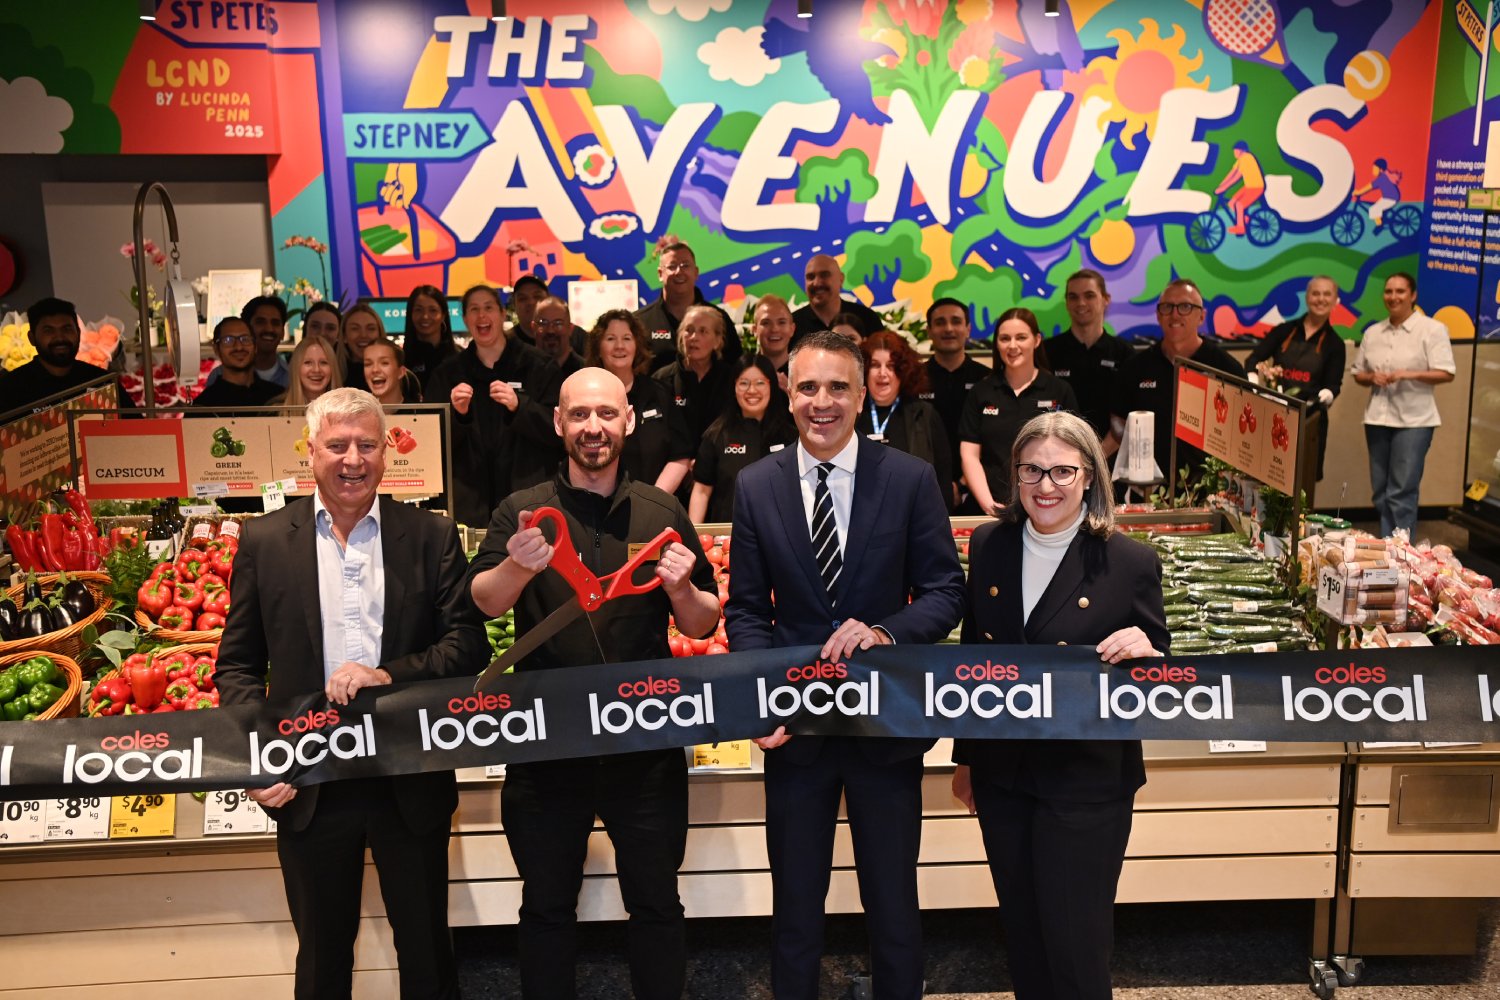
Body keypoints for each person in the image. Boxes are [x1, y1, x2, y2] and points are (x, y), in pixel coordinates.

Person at [216, 387, 487, 1000]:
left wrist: (387, 674)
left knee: (426, 952)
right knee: (322, 958)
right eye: (337, 445)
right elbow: (236, 666)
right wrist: (258, 759)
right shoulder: (264, 540)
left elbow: (467, 648)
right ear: (310, 451)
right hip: (308, 782)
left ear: (387, 451)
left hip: (408, 777)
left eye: (367, 444)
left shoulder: (430, 535)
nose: (353, 460)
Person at [724, 330, 965, 1000]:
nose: (821, 402)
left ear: (862, 395)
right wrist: (761, 697)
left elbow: (946, 591)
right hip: (795, 731)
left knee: (893, 903)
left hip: (885, 728)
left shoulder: (909, 478)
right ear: (787, 394)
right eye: (807, 387)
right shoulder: (756, 486)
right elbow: (746, 609)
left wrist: (886, 630)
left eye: (837, 387)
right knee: (795, 908)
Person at [466, 368, 720, 1000]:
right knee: (546, 906)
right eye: (579, 414)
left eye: (607, 413)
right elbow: (486, 601)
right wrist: (518, 567)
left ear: (628, 420)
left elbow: (702, 620)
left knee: (656, 903)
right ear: (558, 423)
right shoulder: (521, 510)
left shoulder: (662, 511)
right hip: (547, 746)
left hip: (645, 744)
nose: (593, 427)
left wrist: (682, 588)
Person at [952, 410, 1168, 1000]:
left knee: (1075, 947)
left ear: (1090, 476)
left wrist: (1148, 653)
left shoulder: (1128, 562)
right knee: (1023, 939)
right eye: (1032, 470)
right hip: (1003, 778)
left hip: (1085, 784)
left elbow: (1162, 672)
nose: (1045, 485)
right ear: (1015, 475)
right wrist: (966, 759)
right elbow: (974, 659)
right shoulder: (989, 545)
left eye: (1062, 471)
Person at [425, 284, 563, 527]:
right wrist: (458, 416)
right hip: (469, 507)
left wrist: (520, 406)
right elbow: (431, 446)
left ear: (502, 314)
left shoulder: (539, 366)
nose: (482, 315)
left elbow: (559, 431)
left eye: (488, 307)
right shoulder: (447, 374)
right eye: (474, 309)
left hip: (528, 501)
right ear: (465, 319)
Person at [1108, 280, 1246, 492]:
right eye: (1167, 307)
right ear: (1158, 315)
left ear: (1202, 316)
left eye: (1185, 307)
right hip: (1148, 491)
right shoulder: (1136, 367)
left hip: (1209, 491)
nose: (1175, 314)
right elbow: (1117, 421)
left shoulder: (1226, 368)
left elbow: (1243, 434)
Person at [1351, 272, 1456, 537]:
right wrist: (1371, 377)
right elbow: (1358, 373)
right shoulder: (1373, 332)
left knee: (1401, 492)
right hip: (1377, 419)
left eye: (1400, 291)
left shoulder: (1432, 329)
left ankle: (1400, 553)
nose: (1393, 297)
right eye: (1389, 291)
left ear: (1413, 295)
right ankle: (1389, 545)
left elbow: (1447, 372)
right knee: (1380, 491)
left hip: (1414, 422)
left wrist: (1407, 374)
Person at [961, 308, 1079, 515]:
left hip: (1046, 505)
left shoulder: (1059, 390)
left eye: (1021, 337)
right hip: (990, 508)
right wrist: (990, 506)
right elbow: (969, 455)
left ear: (1037, 340)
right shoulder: (981, 391)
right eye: (1005, 338)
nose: (1012, 345)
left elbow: (1073, 453)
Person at [1247, 275, 1347, 491]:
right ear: (1307, 297)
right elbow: (1254, 358)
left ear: (1335, 300)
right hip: (1274, 419)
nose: (1320, 299)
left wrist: (1328, 394)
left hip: (1310, 423)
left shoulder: (1335, 344)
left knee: (1303, 484)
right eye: (1315, 293)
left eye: (1327, 294)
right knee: (1266, 478)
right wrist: (1253, 379)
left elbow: (1334, 384)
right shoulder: (1284, 330)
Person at [585, 309, 693, 494]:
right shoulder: (584, 396)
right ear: (598, 348)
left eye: (627, 338)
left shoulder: (659, 393)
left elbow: (680, 456)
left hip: (655, 502)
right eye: (610, 338)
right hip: (597, 501)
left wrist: (653, 501)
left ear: (637, 346)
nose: (620, 346)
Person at [689, 355, 797, 523]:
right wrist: (694, 533)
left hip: (778, 531)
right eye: (744, 383)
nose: (752, 390)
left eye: (760, 383)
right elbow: (701, 491)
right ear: (734, 387)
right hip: (727, 533)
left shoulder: (791, 437)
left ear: (771, 386)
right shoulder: (716, 435)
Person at [856, 331, 953, 509]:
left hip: (912, 515)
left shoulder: (924, 414)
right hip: (859, 513)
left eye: (891, 366)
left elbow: (942, 480)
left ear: (903, 371)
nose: (882, 373)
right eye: (875, 365)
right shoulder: (851, 414)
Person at [1045, 270, 1134, 451]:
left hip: (1110, 458)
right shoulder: (1047, 352)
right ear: (1066, 303)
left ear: (1106, 299)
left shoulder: (1124, 353)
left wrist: (1098, 456)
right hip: (1058, 455)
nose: (1081, 303)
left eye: (1089, 295)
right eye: (1073, 297)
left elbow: (1129, 415)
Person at [0, 297, 130, 413]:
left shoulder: (102, 382)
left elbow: (133, 426)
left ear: (79, 333)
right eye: (48, 330)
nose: (59, 337)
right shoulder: (10, 388)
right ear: (32, 338)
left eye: (67, 329)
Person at [921, 298, 989, 508]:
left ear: (968, 329)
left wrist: (962, 485)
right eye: (940, 322)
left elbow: (994, 439)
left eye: (956, 321)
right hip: (924, 487)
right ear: (929, 331)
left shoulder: (987, 379)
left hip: (979, 489)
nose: (949, 328)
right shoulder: (915, 379)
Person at [634, 242, 741, 371]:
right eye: (672, 266)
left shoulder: (719, 319)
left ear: (696, 272)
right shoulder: (640, 321)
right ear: (660, 274)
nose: (679, 272)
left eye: (685, 265)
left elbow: (736, 367)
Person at [653, 303, 735, 443]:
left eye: (703, 331)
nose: (694, 337)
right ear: (680, 336)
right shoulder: (661, 379)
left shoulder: (731, 379)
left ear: (717, 341)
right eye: (689, 330)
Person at [192, 317, 283, 408]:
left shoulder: (278, 398)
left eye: (245, 339)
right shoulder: (203, 406)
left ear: (255, 347)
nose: (239, 347)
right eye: (228, 340)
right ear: (216, 349)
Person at [791, 255, 883, 344]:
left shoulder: (867, 318)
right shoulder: (792, 326)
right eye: (810, 277)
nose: (816, 283)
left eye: (824, 275)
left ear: (841, 279)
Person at [207, 295, 292, 390]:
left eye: (275, 323)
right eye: (260, 322)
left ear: (283, 332)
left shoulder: (294, 376)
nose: (269, 329)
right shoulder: (218, 375)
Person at [402, 285, 459, 394]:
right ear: (410, 314)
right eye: (418, 310)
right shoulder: (401, 360)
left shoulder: (459, 358)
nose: (425, 316)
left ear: (443, 315)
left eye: (433, 310)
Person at [270, 333, 342, 408]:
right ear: (296, 367)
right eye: (308, 362)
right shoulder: (274, 410)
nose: (316, 369)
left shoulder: (348, 411)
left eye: (323, 362)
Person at [1214, 140, 1265, 237]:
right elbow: (1231, 173)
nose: (1234, 153)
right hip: (1249, 187)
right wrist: (1221, 185)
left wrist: (1224, 188)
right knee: (1231, 203)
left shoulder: (1247, 158)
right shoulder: (1240, 160)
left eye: (1236, 151)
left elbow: (1237, 176)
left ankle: (1241, 228)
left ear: (1241, 150)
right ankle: (1246, 219)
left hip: (1256, 187)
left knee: (1239, 205)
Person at [533, 296, 585, 378]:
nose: (550, 331)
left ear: (570, 328)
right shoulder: (520, 369)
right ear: (533, 327)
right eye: (543, 323)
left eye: (558, 323)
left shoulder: (585, 372)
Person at [752, 294, 795, 384]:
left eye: (781, 322)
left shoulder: (806, 373)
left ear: (792, 329)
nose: (774, 329)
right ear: (755, 330)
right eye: (766, 323)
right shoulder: (742, 372)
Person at [364, 337, 419, 405]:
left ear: (401, 372)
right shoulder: (355, 411)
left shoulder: (417, 411)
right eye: (368, 364)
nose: (375, 370)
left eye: (384, 363)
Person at [1352, 158, 1404, 229]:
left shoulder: (1382, 178)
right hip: (1387, 197)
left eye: (1375, 169)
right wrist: (1359, 192)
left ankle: (1380, 225)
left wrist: (1359, 192)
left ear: (1381, 170)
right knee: (1378, 206)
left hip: (1391, 198)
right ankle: (1382, 219)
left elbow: (1369, 187)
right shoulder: (1384, 176)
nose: (1373, 171)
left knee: (1374, 209)